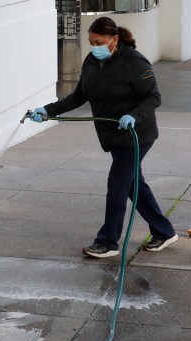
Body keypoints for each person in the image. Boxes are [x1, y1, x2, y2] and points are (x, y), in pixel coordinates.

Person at [30, 17, 178, 258]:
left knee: (118, 184)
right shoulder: (92, 60)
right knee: (133, 184)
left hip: (135, 134)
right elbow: (79, 96)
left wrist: (132, 115)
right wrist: (48, 110)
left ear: (114, 39)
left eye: (99, 41)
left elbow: (153, 98)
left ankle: (108, 242)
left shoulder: (134, 62)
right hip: (112, 135)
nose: (94, 46)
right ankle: (164, 231)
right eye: (91, 42)